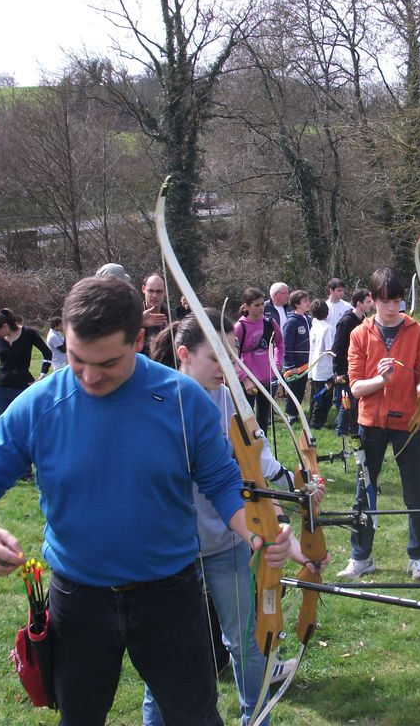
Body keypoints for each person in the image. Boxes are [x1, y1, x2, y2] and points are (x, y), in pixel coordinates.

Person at [0, 276, 271, 725]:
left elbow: (221, 480)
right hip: (77, 599)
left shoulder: (184, 401)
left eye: (107, 363)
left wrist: (254, 532)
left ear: (138, 339)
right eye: (78, 359)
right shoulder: (38, 405)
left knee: (193, 717)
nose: (88, 376)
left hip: (170, 596)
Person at [145, 311, 322, 726]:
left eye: (232, 355)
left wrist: (301, 495)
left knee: (246, 641)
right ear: (184, 354)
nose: (228, 367)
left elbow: (257, 474)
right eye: (217, 357)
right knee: (168, 654)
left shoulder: (229, 400)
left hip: (227, 545)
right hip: (172, 554)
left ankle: (254, 717)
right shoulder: (156, 402)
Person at [338, 267, 420, 581]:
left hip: (407, 422)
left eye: (396, 300)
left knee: (414, 491)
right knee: (364, 492)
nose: (391, 307)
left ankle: (418, 557)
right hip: (371, 423)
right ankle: (361, 557)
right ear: (373, 300)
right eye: (384, 301)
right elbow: (355, 388)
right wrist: (381, 379)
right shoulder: (358, 334)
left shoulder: (419, 332)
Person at [0, 308, 51, 425]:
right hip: (1, 389)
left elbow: (47, 353)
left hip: (23, 387)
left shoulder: (28, 334)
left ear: (5, 326)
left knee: (25, 425)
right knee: (1, 426)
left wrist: (42, 375)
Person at [234, 287, 284, 434]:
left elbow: (280, 344)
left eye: (262, 304)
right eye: (256, 305)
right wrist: (245, 380)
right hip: (248, 382)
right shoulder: (239, 327)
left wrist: (277, 365)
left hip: (267, 379)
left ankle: (263, 454)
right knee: (246, 423)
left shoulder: (270, 322)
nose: (261, 308)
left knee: (263, 421)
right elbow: (233, 357)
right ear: (246, 306)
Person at [331, 289, 372, 438]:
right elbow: (337, 348)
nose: (371, 304)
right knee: (347, 401)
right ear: (359, 303)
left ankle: (354, 429)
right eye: (368, 301)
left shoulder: (365, 319)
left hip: (360, 366)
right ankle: (341, 431)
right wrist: (339, 372)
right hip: (345, 368)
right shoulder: (346, 321)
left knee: (357, 400)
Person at [281, 290, 312, 420]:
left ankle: (298, 412)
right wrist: (290, 366)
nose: (308, 303)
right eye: (305, 301)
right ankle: (291, 415)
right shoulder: (292, 322)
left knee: (301, 388)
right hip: (296, 365)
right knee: (295, 389)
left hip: (307, 362)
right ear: (297, 304)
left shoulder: (308, 318)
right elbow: (286, 345)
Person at [307, 299, 335, 429]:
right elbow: (330, 349)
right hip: (325, 369)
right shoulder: (328, 328)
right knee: (323, 398)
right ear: (327, 313)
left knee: (315, 396)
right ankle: (316, 423)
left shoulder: (314, 326)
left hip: (314, 367)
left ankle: (312, 421)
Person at [141, 272, 169, 350]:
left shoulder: (171, 314)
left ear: (165, 292)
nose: (155, 295)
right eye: (151, 291)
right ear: (143, 289)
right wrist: (138, 322)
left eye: (159, 291)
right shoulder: (133, 314)